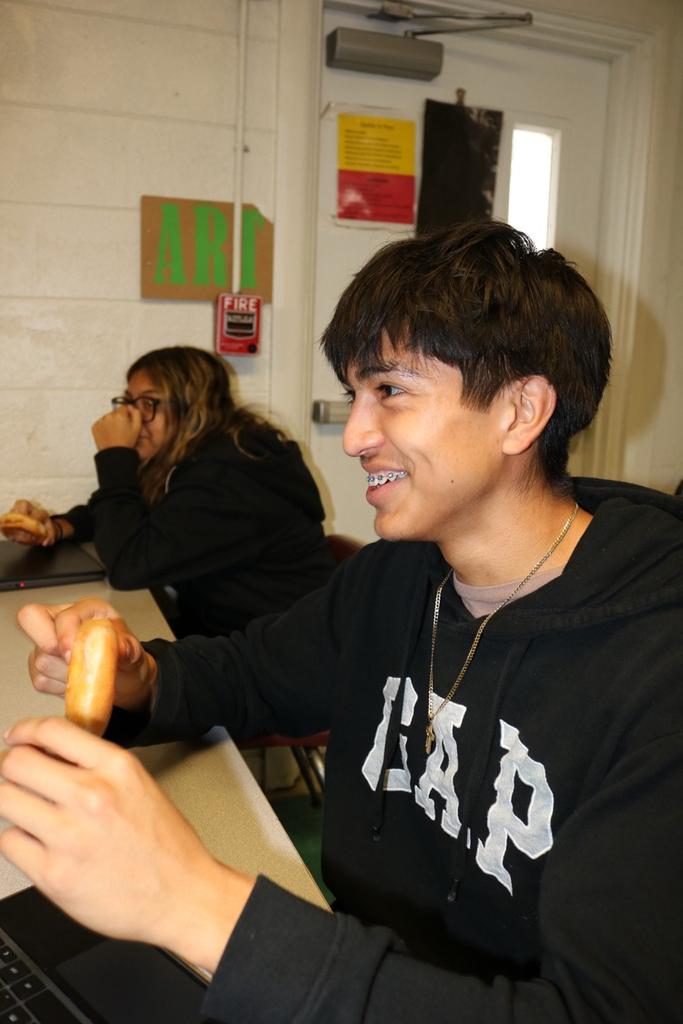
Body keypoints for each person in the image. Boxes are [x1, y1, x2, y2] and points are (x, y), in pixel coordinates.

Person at [1, 221, 682, 1023]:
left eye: (389, 391)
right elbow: (252, 674)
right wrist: (142, 678)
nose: (356, 436)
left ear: (519, 410)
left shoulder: (656, 668)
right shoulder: (396, 572)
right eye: (355, 393)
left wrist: (198, 906)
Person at [5, 345, 335, 637]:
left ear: (194, 406)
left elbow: (127, 566)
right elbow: (123, 513)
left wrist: (115, 455)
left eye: (148, 403)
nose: (133, 418)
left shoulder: (227, 479)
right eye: (130, 402)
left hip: (281, 649)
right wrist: (58, 527)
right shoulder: (196, 461)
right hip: (235, 634)